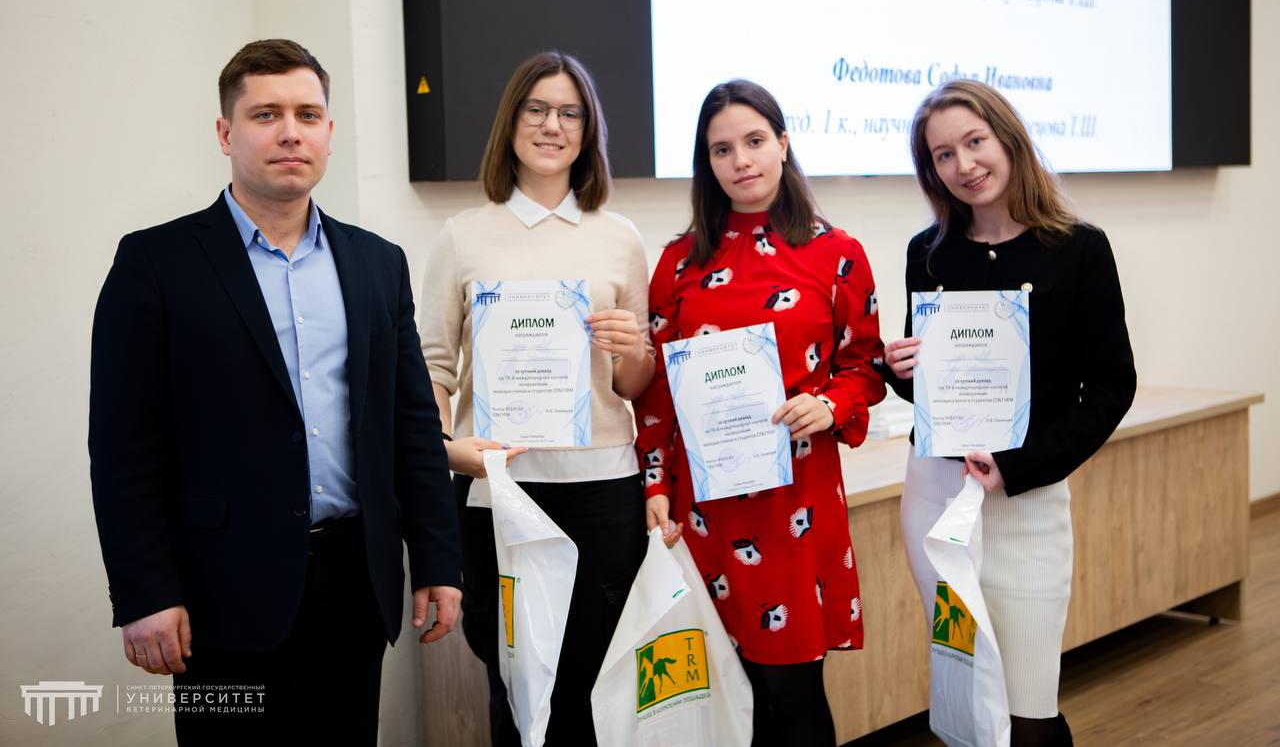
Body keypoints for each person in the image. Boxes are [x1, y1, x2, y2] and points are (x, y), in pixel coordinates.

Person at [88, 39, 462, 746]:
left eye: (307, 114)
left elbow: (411, 425)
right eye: (266, 114)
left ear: (328, 132)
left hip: (354, 585)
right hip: (219, 593)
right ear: (226, 133)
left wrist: (439, 560)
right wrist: (145, 591)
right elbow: (123, 448)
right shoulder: (155, 263)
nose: (291, 132)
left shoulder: (377, 263)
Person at [882, 79, 1136, 747]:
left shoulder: (1079, 248)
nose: (963, 165)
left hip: (1026, 501)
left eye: (974, 142)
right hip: (937, 497)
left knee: (1029, 708)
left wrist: (1020, 468)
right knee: (968, 695)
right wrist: (898, 368)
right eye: (943, 154)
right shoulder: (927, 252)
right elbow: (926, 390)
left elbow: (1111, 386)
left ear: (1009, 138)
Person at [634, 80, 886, 745]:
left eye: (753, 141)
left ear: (783, 143)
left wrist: (828, 404)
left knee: (792, 693)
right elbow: (656, 393)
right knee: (723, 696)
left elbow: (865, 366)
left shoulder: (839, 253)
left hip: (794, 503)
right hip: (704, 507)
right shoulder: (678, 262)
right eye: (722, 149)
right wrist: (654, 484)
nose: (741, 161)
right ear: (707, 162)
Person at [418, 51, 653, 745]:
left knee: (594, 684)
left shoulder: (619, 236)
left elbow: (633, 384)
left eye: (570, 113)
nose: (553, 125)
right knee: (516, 688)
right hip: (498, 490)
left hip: (603, 490)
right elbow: (434, 366)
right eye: (538, 109)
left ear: (588, 131)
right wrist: (444, 447)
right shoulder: (463, 235)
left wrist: (632, 348)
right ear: (511, 121)